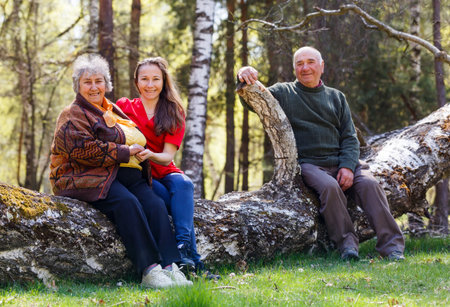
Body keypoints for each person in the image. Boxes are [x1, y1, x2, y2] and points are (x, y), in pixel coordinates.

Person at [237, 46, 405, 261]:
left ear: (321, 66)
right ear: (294, 68)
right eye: (299, 64)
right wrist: (244, 73)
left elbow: (349, 137)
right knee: (330, 187)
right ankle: (347, 246)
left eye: (310, 62)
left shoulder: (336, 97)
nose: (305, 68)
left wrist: (347, 166)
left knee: (371, 185)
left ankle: (392, 247)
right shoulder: (284, 92)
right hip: (310, 165)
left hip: (343, 161)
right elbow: (252, 100)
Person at [49, 54, 192, 288]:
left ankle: (171, 265)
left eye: (99, 81)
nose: (94, 87)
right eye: (87, 82)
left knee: (154, 202)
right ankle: (150, 270)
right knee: (127, 202)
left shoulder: (111, 109)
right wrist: (125, 152)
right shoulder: (72, 113)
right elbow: (83, 150)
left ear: (106, 84)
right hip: (79, 176)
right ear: (78, 86)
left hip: (111, 172)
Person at [116, 57, 219, 279]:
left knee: (184, 184)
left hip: (163, 168)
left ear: (164, 81)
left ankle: (182, 247)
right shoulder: (124, 107)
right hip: (144, 176)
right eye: (144, 79)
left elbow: (167, 157)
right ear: (136, 82)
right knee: (171, 203)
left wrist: (151, 154)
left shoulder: (173, 110)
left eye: (155, 79)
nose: (150, 84)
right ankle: (194, 263)